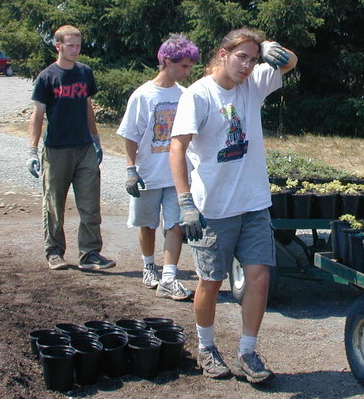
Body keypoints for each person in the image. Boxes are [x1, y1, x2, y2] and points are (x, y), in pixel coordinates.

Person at [169, 27, 297, 383]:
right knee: (210, 281)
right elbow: (177, 148)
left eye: (254, 60)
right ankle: (207, 348)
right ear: (222, 54)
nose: (248, 65)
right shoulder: (198, 95)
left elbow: (291, 61)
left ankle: (247, 352)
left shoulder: (252, 86)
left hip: (253, 203)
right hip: (213, 208)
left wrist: (270, 47)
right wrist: (185, 201)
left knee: (259, 277)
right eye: (242, 57)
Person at [116, 34, 199, 301]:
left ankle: (170, 277)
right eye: (184, 66)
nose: (188, 71)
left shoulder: (186, 96)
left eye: (190, 66)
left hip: (177, 176)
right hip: (149, 174)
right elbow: (130, 135)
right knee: (148, 224)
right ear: (166, 61)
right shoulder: (143, 96)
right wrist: (131, 169)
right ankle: (148, 265)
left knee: (174, 225)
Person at [27, 24, 116, 271]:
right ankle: (54, 252)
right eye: (70, 45)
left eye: (78, 45)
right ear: (58, 46)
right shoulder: (47, 77)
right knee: (54, 204)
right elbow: (37, 115)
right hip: (56, 149)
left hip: (84, 147)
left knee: (90, 205)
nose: (75, 50)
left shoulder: (85, 73)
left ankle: (90, 254)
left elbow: (88, 106)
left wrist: (96, 139)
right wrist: (32, 151)